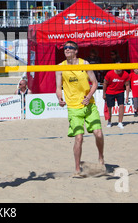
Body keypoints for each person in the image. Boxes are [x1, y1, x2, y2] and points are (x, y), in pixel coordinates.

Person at [55, 41, 104, 176]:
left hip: (89, 105)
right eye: (65, 48)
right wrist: (59, 98)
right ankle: (77, 169)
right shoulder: (60, 67)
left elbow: (94, 83)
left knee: (98, 134)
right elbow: (58, 87)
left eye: (70, 48)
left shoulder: (84, 64)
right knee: (79, 138)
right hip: (73, 107)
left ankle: (101, 157)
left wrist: (88, 96)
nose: (67, 49)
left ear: (76, 51)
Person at [103, 60, 130, 129]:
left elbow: (127, 85)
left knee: (121, 106)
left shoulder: (125, 74)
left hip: (120, 91)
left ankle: (120, 122)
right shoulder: (109, 73)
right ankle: (109, 122)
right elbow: (105, 84)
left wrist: (127, 96)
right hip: (110, 92)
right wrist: (104, 94)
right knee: (109, 107)